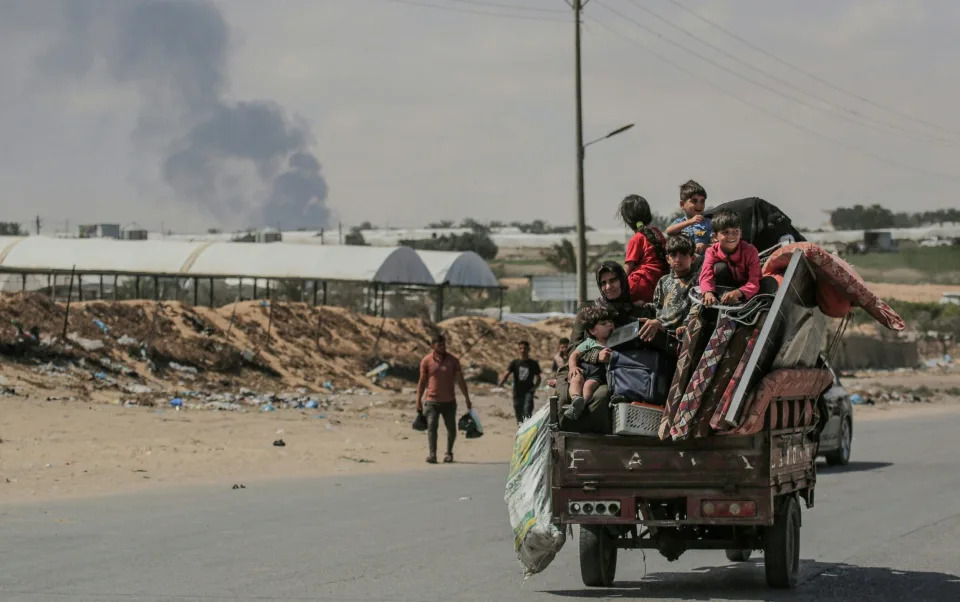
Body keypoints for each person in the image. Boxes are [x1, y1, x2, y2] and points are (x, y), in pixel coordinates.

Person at [416, 333, 472, 464]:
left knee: (451, 428)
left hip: (449, 402)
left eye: (444, 344)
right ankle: (432, 454)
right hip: (431, 401)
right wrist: (418, 399)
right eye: (439, 345)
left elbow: (460, 380)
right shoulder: (426, 361)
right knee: (431, 427)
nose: (442, 347)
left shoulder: (453, 361)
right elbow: (422, 381)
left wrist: (467, 398)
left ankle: (449, 453)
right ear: (432, 346)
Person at [637, 234, 702, 342]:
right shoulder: (663, 281)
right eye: (673, 255)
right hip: (658, 327)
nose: (678, 259)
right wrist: (644, 306)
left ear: (693, 258)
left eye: (683, 255)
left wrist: (686, 325)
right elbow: (659, 308)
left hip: (676, 334)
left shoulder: (697, 281)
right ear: (668, 259)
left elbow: (696, 307)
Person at [700, 210, 761, 307]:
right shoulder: (711, 251)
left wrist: (738, 292)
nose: (731, 236)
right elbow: (706, 276)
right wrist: (708, 292)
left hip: (743, 293)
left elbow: (754, 282)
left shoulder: (751, 251)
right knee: (720, 267)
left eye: (735, 231)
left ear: (740, 233)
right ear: (715, 236)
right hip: (720, 293)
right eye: (726, 232)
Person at [565, 305, 615, 420]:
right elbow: (574, 354)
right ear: (592, 330)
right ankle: (576, 399)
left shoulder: (614, 342)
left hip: (597, 375)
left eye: (611, 322)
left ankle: (581, 406)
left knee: (588, 386)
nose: (609, 325)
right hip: (582, 370)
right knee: (576, 380)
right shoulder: (589, 342)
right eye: (603, 324)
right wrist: (573, 367)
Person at [618, 194, 669, 304]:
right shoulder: (657, 232)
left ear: (628, 219)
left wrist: (616, 285)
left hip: (640, 285)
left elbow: (627, 269)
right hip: (660, 284)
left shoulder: (636, 239)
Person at [498, 340, 542, 424]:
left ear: (529, 349)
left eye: (525, 348)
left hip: (528, 392)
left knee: (527, 413)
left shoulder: (533, 363)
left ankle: (527, 433)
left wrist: (534, 388)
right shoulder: (515, 363)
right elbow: (507, 373)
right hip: (517, 392)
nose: (523, 350)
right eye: (521, 348)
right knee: (518, 415)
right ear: (518, 350)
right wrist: (501, 383)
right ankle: (520, 432)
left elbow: (539, 378)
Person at [665, 180, 711, 255]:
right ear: (682, 204)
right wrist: (690, 221)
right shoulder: (680, 223)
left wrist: (704, 246)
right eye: (694, 201)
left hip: (702, 261)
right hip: (683, 260)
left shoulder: (708, 223)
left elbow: (717, 244)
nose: (699, 205)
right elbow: (669, 231)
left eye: (702, 201)